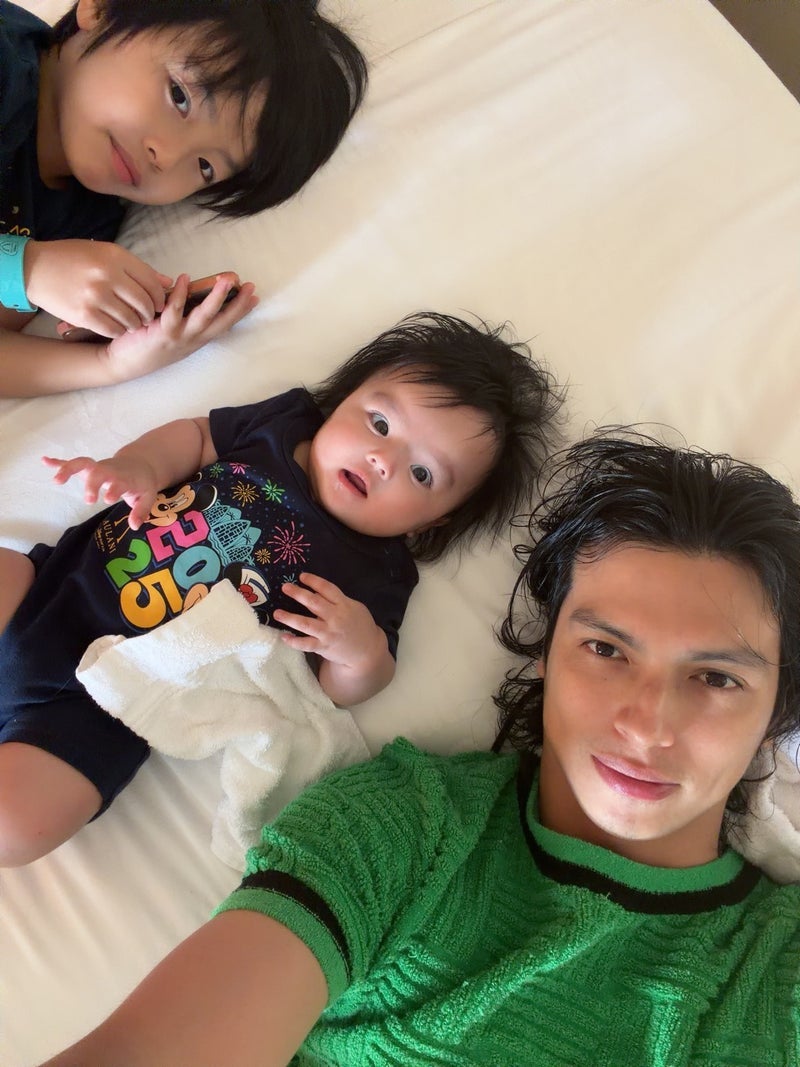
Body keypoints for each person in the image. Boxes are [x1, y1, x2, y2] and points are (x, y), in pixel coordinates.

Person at [39, 431, 800, 1067]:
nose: (648, 724)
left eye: (717, 678)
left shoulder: (775, 967)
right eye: (605, 649)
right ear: (546, 656)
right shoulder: (404, 829)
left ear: (777, 710)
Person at [0, 310, 562, 867]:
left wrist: (358, 652)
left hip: (112, 705)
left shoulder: (378, 576)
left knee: (16, 827)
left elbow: (342, 688)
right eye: (380, 424)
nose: (382, 460)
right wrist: (139, 466)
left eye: (422, 474)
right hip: (50, 590)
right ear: (340, 402)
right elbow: (196, 436)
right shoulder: (280, 428)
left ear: (430, 522)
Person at [0, 0, 367, 396]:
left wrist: (112, 363)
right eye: (179, 96)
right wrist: (24, 269)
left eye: (205, 166)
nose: (169, 157)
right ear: (102, 9)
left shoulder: (87, 224)